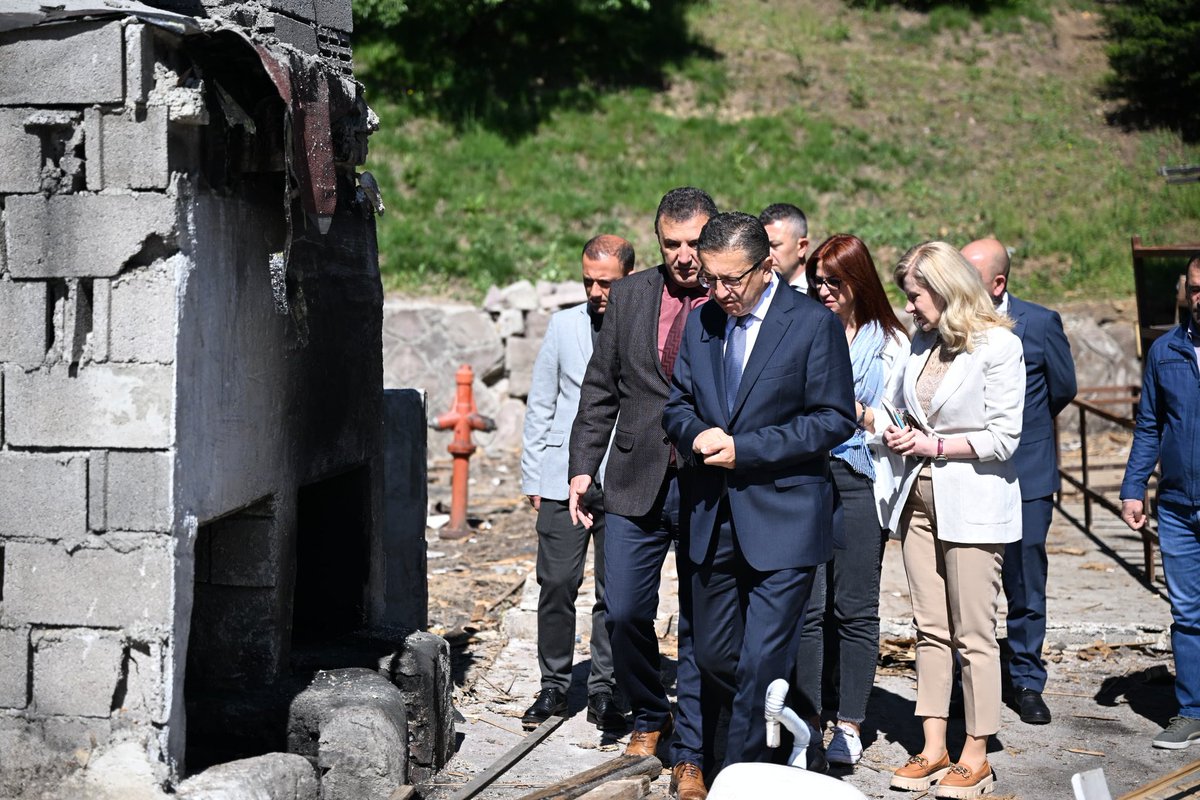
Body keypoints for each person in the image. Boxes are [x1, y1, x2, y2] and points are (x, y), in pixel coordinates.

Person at [663, 212, 856, 775]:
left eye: (733, 280)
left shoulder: (810, 325)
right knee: (718, 654)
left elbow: (832, 419)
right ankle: (796, 735)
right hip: (712, 516)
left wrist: (746, 448)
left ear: (767, 266)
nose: (721, 292)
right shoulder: (702, 322)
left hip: (785, 516)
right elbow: (676, 403)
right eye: (710, 279)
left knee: (760, 660)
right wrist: (695, 432)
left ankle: (738, 778)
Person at [568, 188, 717, 800]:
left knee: (704, 625)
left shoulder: (732, 297)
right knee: (625, 609)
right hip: (631, 481)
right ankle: (650, 713)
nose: (684, 256)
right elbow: (600, 387)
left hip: (710, 485)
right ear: (657, 241)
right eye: (671, 244)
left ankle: (691, 749)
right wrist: (582, 468)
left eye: (693, 243)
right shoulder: (629, 296)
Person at [882, 242, 1024, 799]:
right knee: (929, 628)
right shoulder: (920, 344)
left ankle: (977, 753)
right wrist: (890, 429)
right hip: (917, 498)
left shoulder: (1000, 346)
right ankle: (933, 746)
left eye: (915, 296)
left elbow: (1005, 438)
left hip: (973, 504)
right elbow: (899, 406)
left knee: (974, 633)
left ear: (943, 289)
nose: (910, 308)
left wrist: (935, 444)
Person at [793, 234, 908, 767]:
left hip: (861, 474)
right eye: (817, 281)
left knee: (856, 607)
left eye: (833, 282)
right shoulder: (808, 327)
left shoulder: (891, 342)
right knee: (809, 606)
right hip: (809, 474)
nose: (822, 290)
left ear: (857, 282)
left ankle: (850, 721)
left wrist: (852, 410)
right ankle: (810, 719)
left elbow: (898, 422)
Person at [519, 234, 635, 730]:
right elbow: (541, 401)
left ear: (628, 277)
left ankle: (604, 688)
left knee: (617, 591)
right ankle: (553, 683)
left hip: (626, 478)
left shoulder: (644, 326)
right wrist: (533, 474)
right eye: (587, 279)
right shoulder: (564, 325)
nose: (595, 290)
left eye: (605, 281)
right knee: (558, 582)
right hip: (559, 475)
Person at [963, 237, 1077, 726]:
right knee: (969, 580)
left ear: (998, 283)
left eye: (970, 280)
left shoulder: (1040, 322)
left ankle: (1027, 678)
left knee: (1025, 578)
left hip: (1026, 474)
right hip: (968, 470)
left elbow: (1063, 387)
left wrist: (1023, 431)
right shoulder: (955, 326)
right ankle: (973, 678)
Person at [1120, 256, 1200, 749]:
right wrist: (1133, 487)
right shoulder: (1165, 351)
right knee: (1188, 613)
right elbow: (1150, 424)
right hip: (1176, 507)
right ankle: (1190, 710)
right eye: (1196, 288)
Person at [759, 203, 810, 292]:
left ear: (802, 247)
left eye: (774, 245)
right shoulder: (755, 293)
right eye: (763, 245)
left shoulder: (823, 294)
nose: (767, 254)